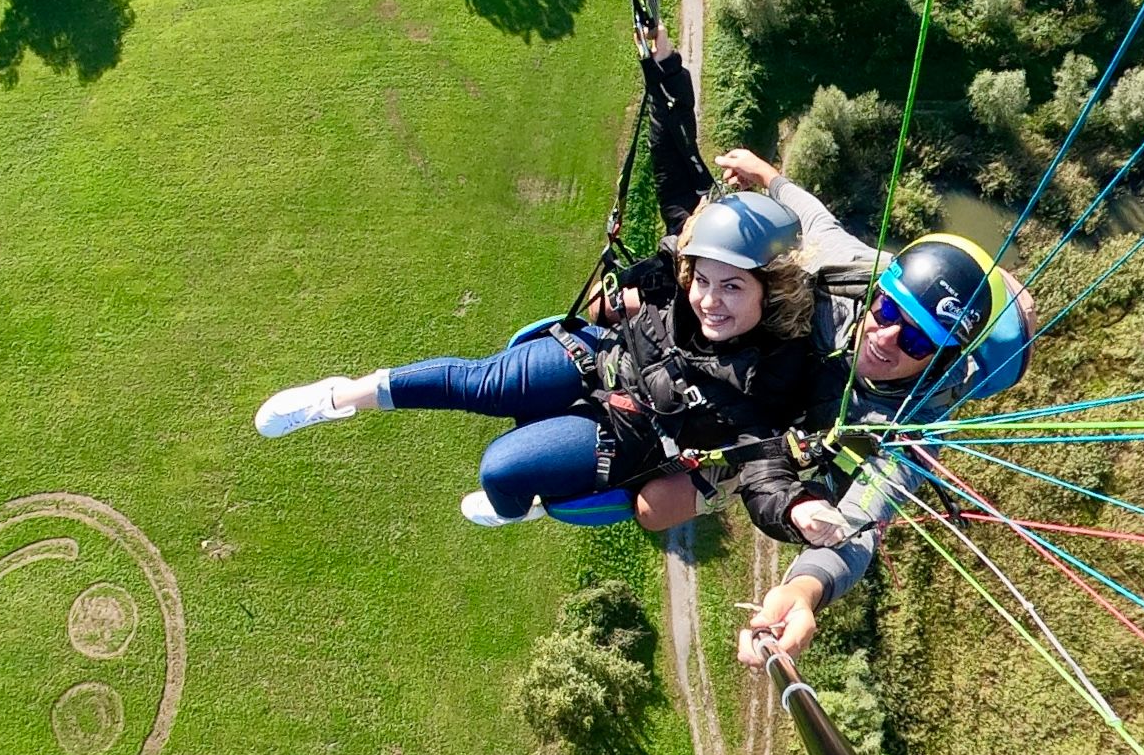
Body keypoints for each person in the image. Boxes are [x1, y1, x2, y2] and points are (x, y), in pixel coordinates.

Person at [252, 31, 849, 546]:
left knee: (502, 473)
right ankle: (338, 399)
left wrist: (800, 511)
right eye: (705, 281)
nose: (710, 300)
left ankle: (533, 502)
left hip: (633, 429)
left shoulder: (769, 380)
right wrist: (662, 60)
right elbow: (675, 155)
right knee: (480, 382)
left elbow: (766, 472)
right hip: (602, 358)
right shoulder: (688, 271)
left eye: (733, 289)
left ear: (769, 292)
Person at [710, 149, 1038, 665]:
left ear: (941, 358)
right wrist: (769, 178)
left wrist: (805, 589)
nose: (885, 336)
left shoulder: (918, 426)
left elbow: (862, 520)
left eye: (916, 339)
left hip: (788, 456)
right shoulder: (853, 275)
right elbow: (817, 220)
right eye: (887, 310)